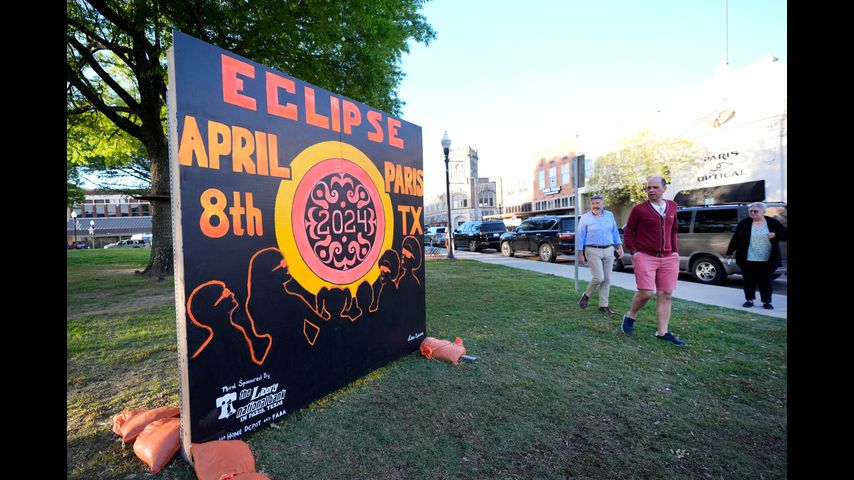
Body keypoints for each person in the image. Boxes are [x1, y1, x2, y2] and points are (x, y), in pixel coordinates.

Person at [620, 176, 687, 346]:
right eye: (648, 188)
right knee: (646, 293)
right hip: (645, 256)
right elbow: (628, 232)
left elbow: (674, 230)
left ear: (664, 189)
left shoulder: (672, 206)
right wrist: (634, 251)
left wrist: (675, 252)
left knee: (666, 294)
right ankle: (631, 315)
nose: (651, 190)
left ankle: (662, 332)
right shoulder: (639, 210)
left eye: (655, 187)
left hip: (669, 257)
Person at [725, 202, 788, 310]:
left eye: (755, 211)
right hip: (747, 259)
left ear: (763, 212)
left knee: (766, 282)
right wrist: (729, 252)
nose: (753, 213)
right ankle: (749, 300)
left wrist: (776, 235)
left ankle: (766, 301)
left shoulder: (772, 223)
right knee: (749, 282)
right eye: (751, 211)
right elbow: (735, 238)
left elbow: (785, 235)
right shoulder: (744, 223)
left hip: (767, 259)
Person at [576, 194, 624, 314]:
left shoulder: (609, 215)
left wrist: (619, 247)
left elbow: (614, 232)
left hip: (609, 250)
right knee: (599, 277)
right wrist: (580, 254)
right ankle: (586, 295)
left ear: (603, 203)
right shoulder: (585, 218)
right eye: (593, 203)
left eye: (597, 203)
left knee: (606, 279)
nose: (595, 206)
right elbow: (580, 236)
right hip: (592, 250)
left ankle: (603, 305)